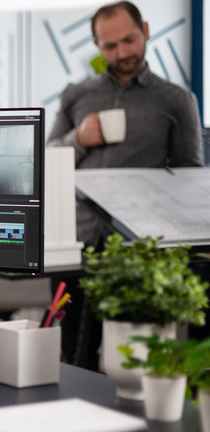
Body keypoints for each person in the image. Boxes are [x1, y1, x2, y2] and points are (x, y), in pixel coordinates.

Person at [46, 1, 204, 249]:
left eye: (129, 40)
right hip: (76, 238)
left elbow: (189, 178)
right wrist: (78, 139)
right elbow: (47, 162)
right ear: (97, 46)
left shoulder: (178, 100)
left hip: (141, 243)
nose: (122, 53)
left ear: (146, 30)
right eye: (110, 46)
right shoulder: (76, 94)